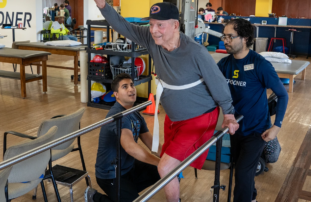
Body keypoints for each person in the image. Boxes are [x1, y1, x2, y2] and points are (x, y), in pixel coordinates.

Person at [92, 1, 239, 201]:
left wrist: (229, 114)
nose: (154, 30)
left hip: (199, 119)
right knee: (165, 162)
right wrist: (103, 6)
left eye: (160, 25)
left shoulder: (196, 53)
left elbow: (218, 84)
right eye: (151, 24)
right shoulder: (152, 39)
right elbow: (122, 25)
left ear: (176, 26)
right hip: (173, 118)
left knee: (166, 166)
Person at [217, 19, 289, 202]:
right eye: (224, 36)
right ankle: (252, 197)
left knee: (242, 172)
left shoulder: (260, 65)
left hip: (257, 130)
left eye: (230, 36)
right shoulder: (225, 64)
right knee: (241, 169)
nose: (225, 40)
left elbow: (283, 95)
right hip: (234, 128)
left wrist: (277, 126)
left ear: (245, 38)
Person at [84, 73, 162, 202]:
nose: (131, 89)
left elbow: (152, 143)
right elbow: (130, 147)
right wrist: (160, 163)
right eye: (125, 87)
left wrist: (168, 160)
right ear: (116, 94)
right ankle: (95, 198)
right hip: (111, 175)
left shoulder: (135, 113)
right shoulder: (118, 116)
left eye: (132, 85)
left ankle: (125, 194)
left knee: (165, 172)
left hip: (129, 168)